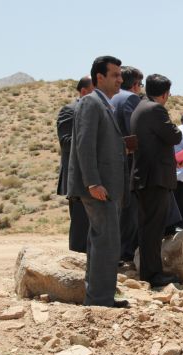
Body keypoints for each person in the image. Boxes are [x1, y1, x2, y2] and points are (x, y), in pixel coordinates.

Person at [67, 55, 127, 308]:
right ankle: (100, 301)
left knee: (101, 241)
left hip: (107, 187)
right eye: (115, 75)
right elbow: (84, 144)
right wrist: (92, 182)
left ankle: (99, 297)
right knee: (106, 242)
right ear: (99, 77)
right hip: (98, 187)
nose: (120, 80)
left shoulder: (103, 104)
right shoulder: (91, 102)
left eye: (120, 75)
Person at [130, 74, 183, 287]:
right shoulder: (155, 109)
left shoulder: (140, 107)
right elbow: (175, 136)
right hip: (155, 178)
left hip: (145, 178)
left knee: (148, 228)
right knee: (153, 229)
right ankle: (153, 274)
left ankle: (149, 272)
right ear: (164, 93)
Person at [110, 66, 144, 265]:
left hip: (112, 160)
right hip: (129, 160)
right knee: (130, 209)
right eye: (140, 84)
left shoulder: (111, 97)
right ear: (135, 84)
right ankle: (126, 251)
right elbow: (135, 130)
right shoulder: (130, 99)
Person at [56, 76, 93, 253]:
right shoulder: (69, 110)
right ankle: (76, 263)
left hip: (96, 177)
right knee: (81, 226)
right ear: (84, 91)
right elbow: (66, 141)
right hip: (78, 178)